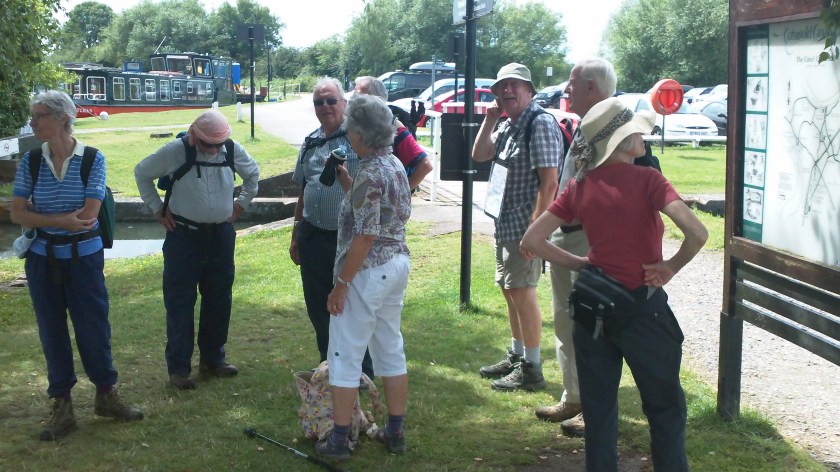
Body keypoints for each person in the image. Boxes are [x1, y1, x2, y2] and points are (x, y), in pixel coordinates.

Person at [521, 97, 708, 472]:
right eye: (635, 131)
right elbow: (698, 232)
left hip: (593, 310)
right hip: (644, 311)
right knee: (665, 408)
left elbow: (531, 242)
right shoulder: (649, 179)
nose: (642, 136)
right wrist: (670, 266)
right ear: (622, 141)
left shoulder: (580, 185)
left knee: (599, 410)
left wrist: (579, 263)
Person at [535, 57, 661, 435]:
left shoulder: (618, 125)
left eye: (573, 82)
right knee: (566, 318)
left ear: (593, 87)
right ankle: (574, 395)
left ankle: (594, 407)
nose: (565, 89)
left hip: (591, 239)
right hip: (566, 235)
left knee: (595, 326)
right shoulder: (585, 125)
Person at [10, 90, 143, 440]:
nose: (33, 122)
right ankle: (62, 406)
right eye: (33, 116)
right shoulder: (31, 161)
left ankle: (106, 395)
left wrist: (42, 219)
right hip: (42, 261)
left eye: (39, 116)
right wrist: (59, 221)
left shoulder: (92, 160)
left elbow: (88, 216)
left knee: (93, 328)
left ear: (61, 119)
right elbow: (15, 212)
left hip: (84, 260)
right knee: (51, 331)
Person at [314, 93, 412, 461]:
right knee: (389, 346)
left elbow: (366, 234)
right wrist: (346, 181)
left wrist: (342, 284)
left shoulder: (372, 173)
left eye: (351, 129)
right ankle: (396, 431)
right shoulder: (393, 165)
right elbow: (378, 211)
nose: (347, 134)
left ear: (361, 134)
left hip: (369, 270)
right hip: (396, 264)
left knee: (344, 350)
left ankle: (339, 439)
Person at [134, 109, 260, 390]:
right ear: (193, 136)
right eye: (208, 145)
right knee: (180, 302)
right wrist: (157, 209)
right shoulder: (175, 151)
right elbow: (142, 172)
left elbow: (253, 175)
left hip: (220, 236)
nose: (214, 150)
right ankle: (179, 369)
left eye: (219, 144)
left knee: (219, 298)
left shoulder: (230, 149)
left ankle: (213, 360)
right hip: (183, 236)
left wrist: (240, 205)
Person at [471, 63, 561, 391]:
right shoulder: (509, 124)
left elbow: (549, 182)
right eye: (501, 86)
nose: (506, 91)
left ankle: (533, 369)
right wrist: (490, 118)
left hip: (526, 229)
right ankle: (518, 355)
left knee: (523, 294)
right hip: (506, 224)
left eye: (514, 85)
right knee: (511, 291)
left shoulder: (539, 124)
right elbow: (479, 154)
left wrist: (536, 231)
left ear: (530, 90)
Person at [290, 77, 375, 382]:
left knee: (351, 304)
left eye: (330, 100)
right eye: (318, 102)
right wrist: (296, 233)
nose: (324, 106)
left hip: (349, 238)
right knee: (318, 304)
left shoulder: (357, 138)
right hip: (313, 235)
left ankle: (362, 373)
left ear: (344, 103)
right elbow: (303, 189)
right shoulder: (311, 141)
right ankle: (330, 366)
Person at [353, 76, 434, 190]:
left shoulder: (394, 126)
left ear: (378, 99)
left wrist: (401, 193)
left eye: (360, 96)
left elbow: (425, 165)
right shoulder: (355, 126)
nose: (354, 100)